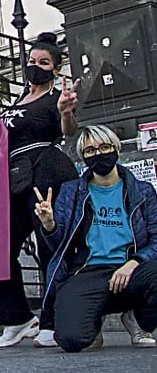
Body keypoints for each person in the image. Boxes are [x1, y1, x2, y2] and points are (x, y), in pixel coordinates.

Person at [36, 125, 157, 352]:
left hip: (130, 270)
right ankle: (92, 319)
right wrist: (49, 224)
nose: (98, 154)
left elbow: (155, 238)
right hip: (87, 271)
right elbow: (59, 244)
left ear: (116, 149)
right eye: (90, 151)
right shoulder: (71, 191)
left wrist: (134, 262)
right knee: (71, 340)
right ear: (83, 156)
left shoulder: (143, 191)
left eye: (104, 147)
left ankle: (139, 320)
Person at [0, 33, 80, 348]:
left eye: (43, 63)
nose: (35, 67)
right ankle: (16, 317)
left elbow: (68, 131)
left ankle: (53, 319)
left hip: (47, 171)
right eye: (32, 61)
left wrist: (67, 112)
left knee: (49, 245)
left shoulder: (56, 98)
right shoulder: (17, 100)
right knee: (2, 248)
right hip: (15, 177)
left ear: (56, 68)